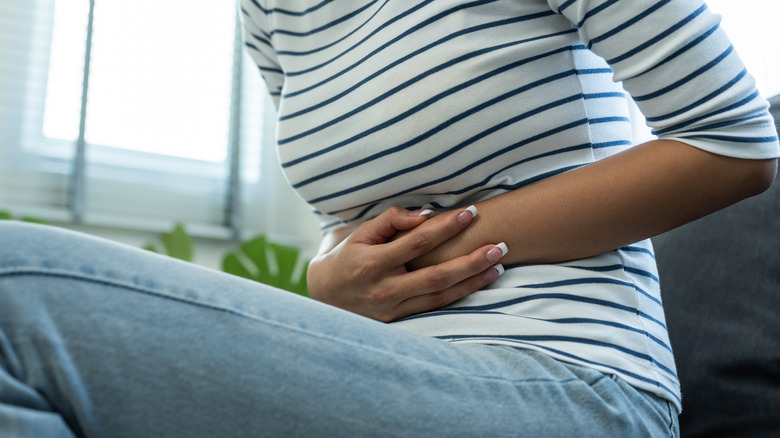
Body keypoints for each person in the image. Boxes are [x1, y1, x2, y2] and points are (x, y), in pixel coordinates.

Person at [0, 0, 777, 436]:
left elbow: (733, 145)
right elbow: (350, 217)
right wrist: (328, 276)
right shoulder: (272, 9)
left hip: (573, 385)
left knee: (13, 292)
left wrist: (452, 245)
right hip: (385, 372)